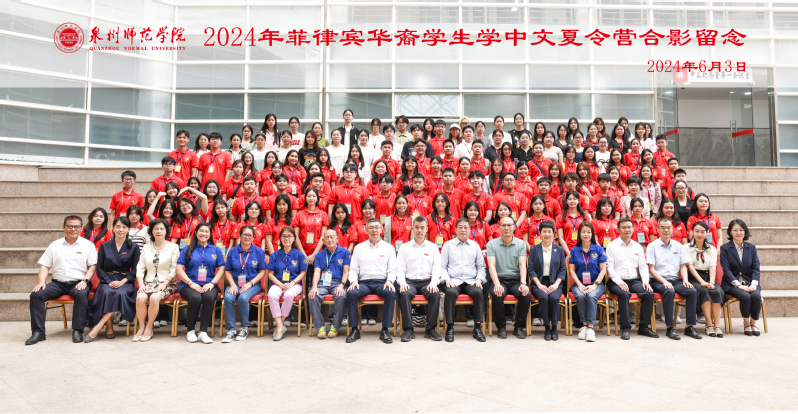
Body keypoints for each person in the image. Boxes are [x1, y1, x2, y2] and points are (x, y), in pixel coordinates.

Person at [26, 215, 98, 345]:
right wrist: (41, 282)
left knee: (80, 294)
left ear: (81, 228)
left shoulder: (88, 245)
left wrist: (85, 281)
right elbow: (45, 266)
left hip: (80, 282)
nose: (73, 229)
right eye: (69, 226)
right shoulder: (55, 245)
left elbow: (92, 267)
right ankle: (38, 332)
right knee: (36, 295)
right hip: (58, 283)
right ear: (63, 227)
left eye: (76, 226)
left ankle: (77, 330)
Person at [85, 217, 141, 343]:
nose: (121, 229)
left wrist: (123, 281)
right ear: (113, 228)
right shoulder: (104, 246)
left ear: (129, 229)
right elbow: (100, 268)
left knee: (119, 293)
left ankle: (98, 327)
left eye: (124, 227)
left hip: (125, 281)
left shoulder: (134, 247)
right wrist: (109, 281)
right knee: (106, 292)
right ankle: (109, 326)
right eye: (118, 226)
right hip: (107, 280)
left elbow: (136, 269)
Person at [646, 218, 701, 340]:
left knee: (692, 291)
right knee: (669, 291)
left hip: (675, 280)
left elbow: (683, 266)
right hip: (658, 281)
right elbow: (652, 269)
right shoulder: (652, 246)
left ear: (672, 229)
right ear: (658, 229)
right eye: (663, 227)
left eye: (668, 227)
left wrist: (685, 280)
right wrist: (664, 282)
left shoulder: (678, 246)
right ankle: (670, 328)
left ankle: (689, 327)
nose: (666, 230)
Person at [345, 218, 398, 344]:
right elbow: (353, 269)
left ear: (381, 229)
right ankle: (354, 330)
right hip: (364, 283)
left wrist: (390, 281)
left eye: (377, 227)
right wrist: (353, 281)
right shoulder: (359, 248)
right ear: (366, 230)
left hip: (382, 282)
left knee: (390, 292)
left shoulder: (389, 248)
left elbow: (392, 269)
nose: (374, 230)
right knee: (351, 293)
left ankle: (385, 330)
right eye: (371, 227)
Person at [605, 218, 658, 340]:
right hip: (616, 281)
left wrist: (645, 281)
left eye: (629, 227)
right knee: (624, 294)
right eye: (623, 227)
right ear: (618, 230)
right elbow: (609, 268)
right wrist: (619, 282)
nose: (627, 230)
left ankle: (643, 327)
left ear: (633, 229)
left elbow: (643, 267)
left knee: (649, 293)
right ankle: (625, 328)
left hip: (634, 281)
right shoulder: (612, 246)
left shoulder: (638, 246)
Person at [176, 223, 226, 344]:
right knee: (196, 297)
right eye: (201, 231)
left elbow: (222, 268)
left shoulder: (216, 250)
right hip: (189, 284)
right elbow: (179, 269)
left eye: (206, 231)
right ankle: (190, 331)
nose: (204, 234)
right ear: (196, 233)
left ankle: (203, 332)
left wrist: (212, 283)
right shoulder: (187, 249)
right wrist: (191, 283)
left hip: (209, 284)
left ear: (210, 234)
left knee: (209, 297)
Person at [395, 216, 443, 342]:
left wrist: (433, 283)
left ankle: (430, 329)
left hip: (427, 281)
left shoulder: (433, 247)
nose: (419, 230)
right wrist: (402, 282)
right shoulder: (404, 247)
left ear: (427, 229)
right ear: (412, 228)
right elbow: (400, 269)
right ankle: (408, 330)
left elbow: (437, 269)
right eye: (416, 227)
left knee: (435, 294)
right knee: (404, 293)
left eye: (422, 227)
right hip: (409, 281)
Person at [440, 218, 488, 342]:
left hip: (471, 280)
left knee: (478, 292)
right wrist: (447, 279)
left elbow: (481, 267)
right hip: (453, 280)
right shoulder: (448, 245)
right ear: (455, 230)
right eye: (460, 227)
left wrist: (479, 280)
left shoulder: (475, 246)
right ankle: (450, 327)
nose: (463, 230)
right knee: (450, 293)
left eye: (466, 227)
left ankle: (477, 328)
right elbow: (442, 267)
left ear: (469, 229)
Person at [133, 219, 180, 342]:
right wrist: (141, 284)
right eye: (156, 229)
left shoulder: (173, 247)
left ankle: (149, 327)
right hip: (148, 282)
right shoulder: (146, 247)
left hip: (168, 283)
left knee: (154, 297)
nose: (159, 231)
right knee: (140, 297)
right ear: (152, 231)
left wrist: (164, 284)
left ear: (166, 231)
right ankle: (141, 327)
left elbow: (174, 268)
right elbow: (140, 267)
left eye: (161, 229)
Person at [486, 216, 532, 339]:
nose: (506, 228)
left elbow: (522, 265)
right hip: (499, 279)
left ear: (514, 227)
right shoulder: (492, 244)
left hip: (516, 280)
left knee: (525, 294)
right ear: (499, 227)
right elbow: (491, 266)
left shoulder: (521, 243)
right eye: (503, 225)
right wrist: (496, 284)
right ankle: (501, 327)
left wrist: (523, 283)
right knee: (497, 294)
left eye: (509, 225)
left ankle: (519, 327)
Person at [221, 225, 267, 343]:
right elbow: (228, 271)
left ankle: (244, 328)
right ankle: (232, 330)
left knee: (243, 298)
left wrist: (250, 283)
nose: (247, 237)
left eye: (249, 235)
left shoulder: (259, 251)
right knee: (228, 297)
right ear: (239, 236)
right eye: (244, 235)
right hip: (235, 282)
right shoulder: (233, 251)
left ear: (253, 237)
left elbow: (262, 272)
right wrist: (232, 284)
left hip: (253, 284)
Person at [720, 219, 762, 336]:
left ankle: (753, 322)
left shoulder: (751, 248)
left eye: (741, 230)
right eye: (735, 230)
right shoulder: (725, 248)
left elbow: (756, 268)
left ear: (745, 231)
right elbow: (726, 270)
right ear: (730, 232)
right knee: (745, 296)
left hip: (749, 282)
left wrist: (753, 284)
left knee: (756, 296)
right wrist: (739, 286)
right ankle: (746, 322)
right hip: (732, 283)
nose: (738, 233)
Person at [265, 227, 308, 340]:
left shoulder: (299, 255)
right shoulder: (275, 255)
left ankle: (280, 323)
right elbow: (270, 274)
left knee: (289, 295)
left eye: (289, 236)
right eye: (284, 236)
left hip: (295, 284)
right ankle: (280, 325)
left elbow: (303, 273)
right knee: (272, 295)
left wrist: (292, 283)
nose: (287, 238)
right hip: (278, 283)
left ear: (294, 238)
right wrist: (280, 284)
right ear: (280, 238)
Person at [308, 229, 351, 339]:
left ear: (337, 239)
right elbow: (317, 272)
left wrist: (342, 285)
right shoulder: (319, 255)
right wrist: (314, 287)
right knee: (312, 296)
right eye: (327, 237)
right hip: (323, 282)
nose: (329, 239)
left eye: (332, 237)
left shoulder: (345, 252)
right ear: (323, 240)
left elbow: (346, 272)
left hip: (338, 282)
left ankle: (335, 326)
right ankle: (320, 326)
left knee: (341, 296)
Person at [527, 220, 567, 341]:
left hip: (555, 282)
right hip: (538, 282)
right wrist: (539, 285)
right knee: (544, 298)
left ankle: (554, 327)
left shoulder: (559, 249)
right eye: (544, 231)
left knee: (554, 298)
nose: (547, 234)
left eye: (549, 231)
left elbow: (562, 269)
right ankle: (547, 328)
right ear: (540, 233)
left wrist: (556, 285)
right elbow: (531, 269)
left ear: (554, 234)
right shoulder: (534, 249)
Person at [568, 222, 607, 342]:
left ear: (592, 234)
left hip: (596, 283)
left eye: (589, 232)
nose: (586, 234)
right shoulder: (574, 250)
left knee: (591, 296)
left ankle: (590, 328)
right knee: (580, 296)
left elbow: (603, 270)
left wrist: (595, 285)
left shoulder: (599, 249)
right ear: (579, 234)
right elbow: (571, 270)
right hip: (579, 283)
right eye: (583, 232)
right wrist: (579, 285)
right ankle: (584, 326)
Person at [686, 221, 724, 337]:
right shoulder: (686, 247)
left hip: (708, 276)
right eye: (696, 231)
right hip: (694, 278)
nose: (699, 234)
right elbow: (690, 267)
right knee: (704, 290)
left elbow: (713, 266)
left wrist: (711, 282)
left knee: (717, 291)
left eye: (702, 231)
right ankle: (708, 323)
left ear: (707, 233)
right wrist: (702, 282)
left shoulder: (712, 249)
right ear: (692, 232)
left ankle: (717, 325)